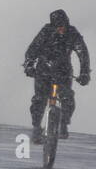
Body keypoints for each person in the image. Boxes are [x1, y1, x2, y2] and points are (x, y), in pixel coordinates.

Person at [23, 9, 90, 143]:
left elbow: (82, 53)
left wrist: (84, 72)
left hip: (63, 72)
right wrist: (29, 64)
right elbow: (33, 49)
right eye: (58, 26)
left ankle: (63, 124)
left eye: (63, 25)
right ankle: (36, 128)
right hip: (43, 71)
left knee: (67, 97)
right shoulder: (46, 32)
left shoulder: (72, 33)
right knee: (39, 100)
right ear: (53, 25)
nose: (61, 29)